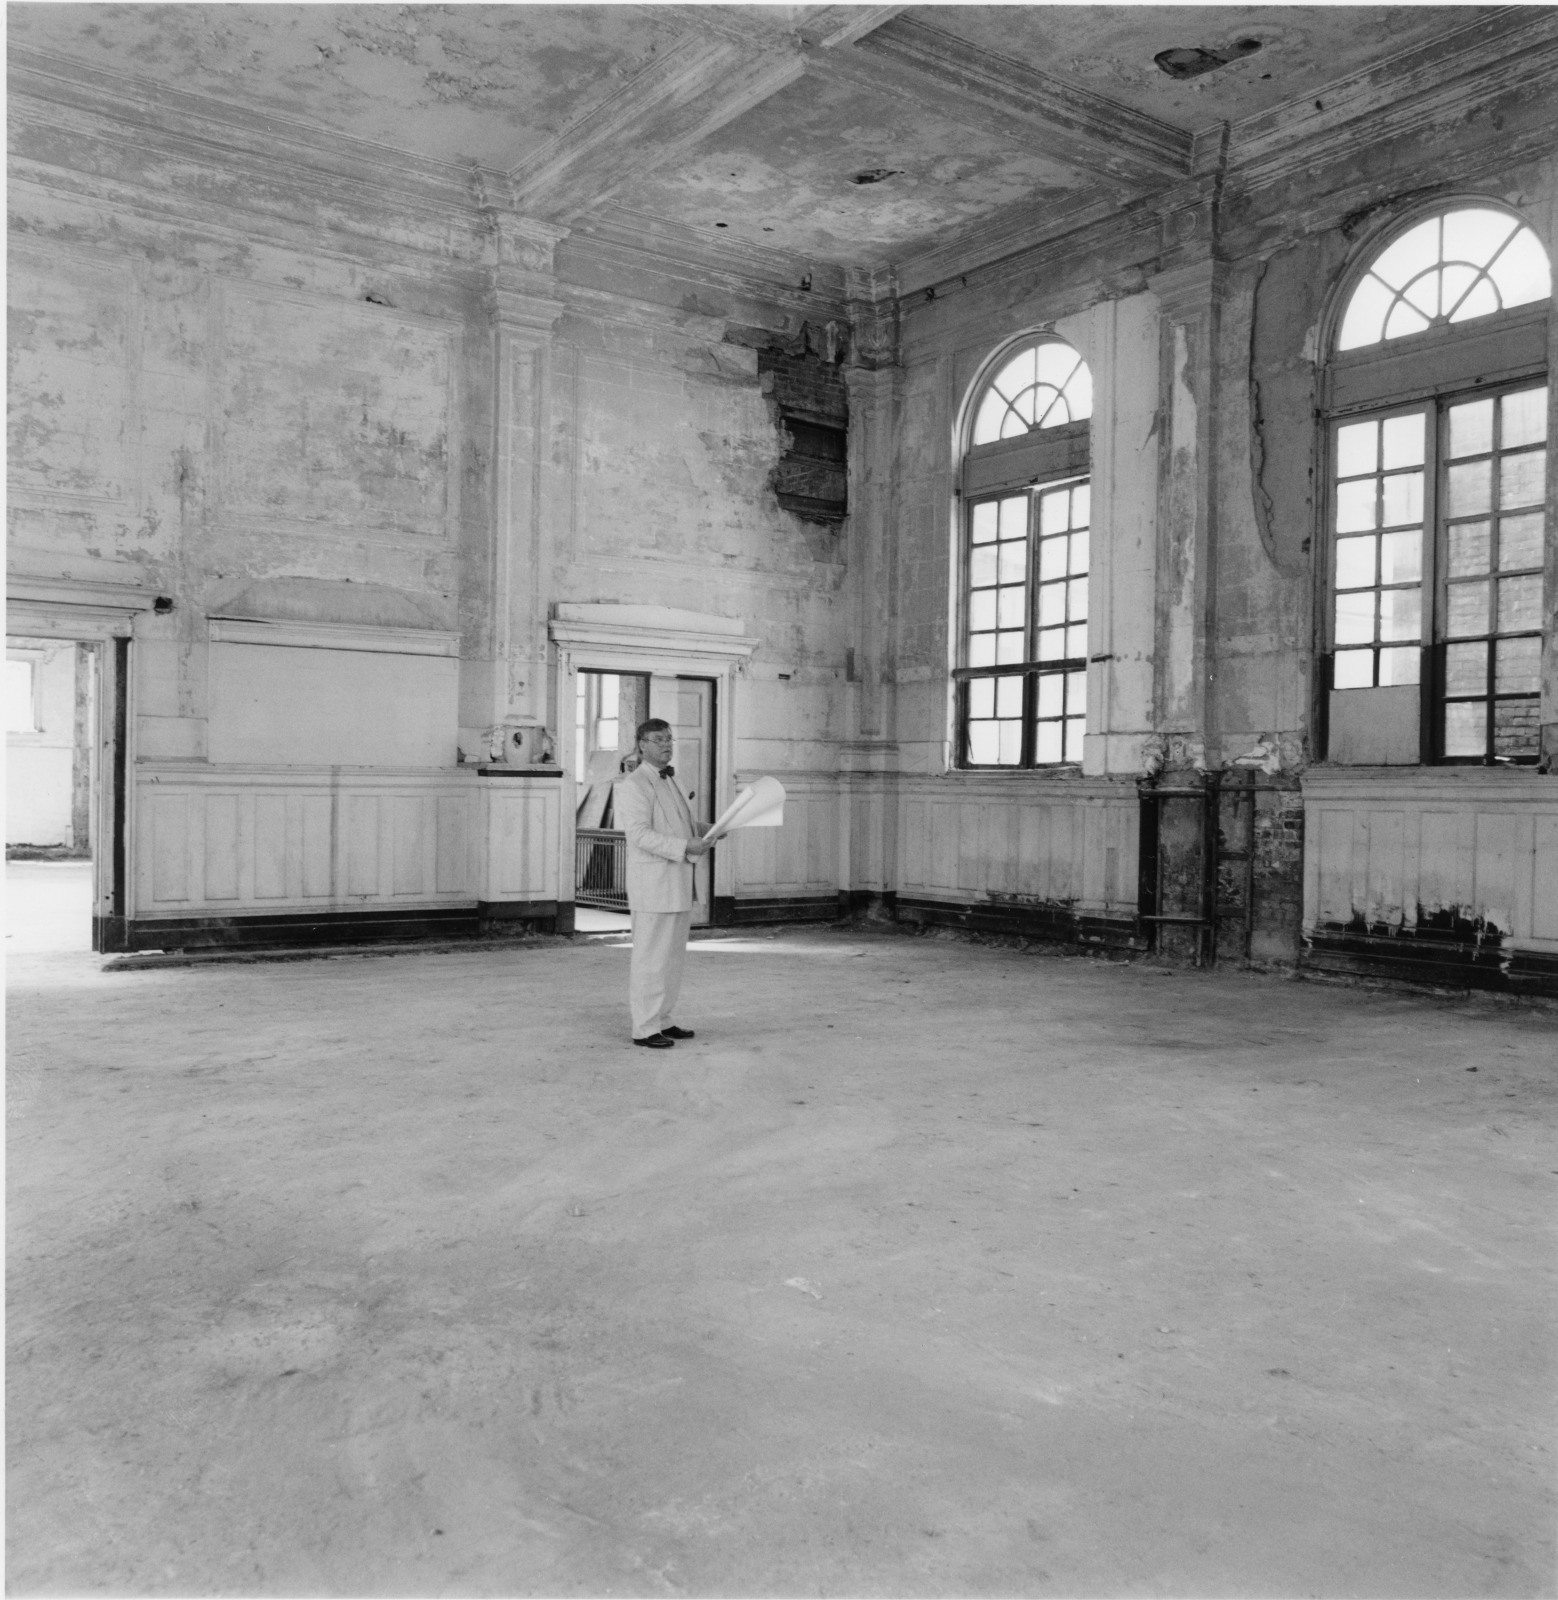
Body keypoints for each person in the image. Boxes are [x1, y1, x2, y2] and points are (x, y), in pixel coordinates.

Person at [613, 718, 710, 1049]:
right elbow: (639, 834)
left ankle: (663, 1019)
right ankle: (644, 1027)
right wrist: (685, 846)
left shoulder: (673, 779)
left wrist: (706, 829)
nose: (667, 745)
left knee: (671, 959)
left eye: (669, 739)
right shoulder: (634, 785)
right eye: (658, 740)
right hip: (653, 884)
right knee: (650, 960)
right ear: (642, 745)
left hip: (678, 881)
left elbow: (677, 823)